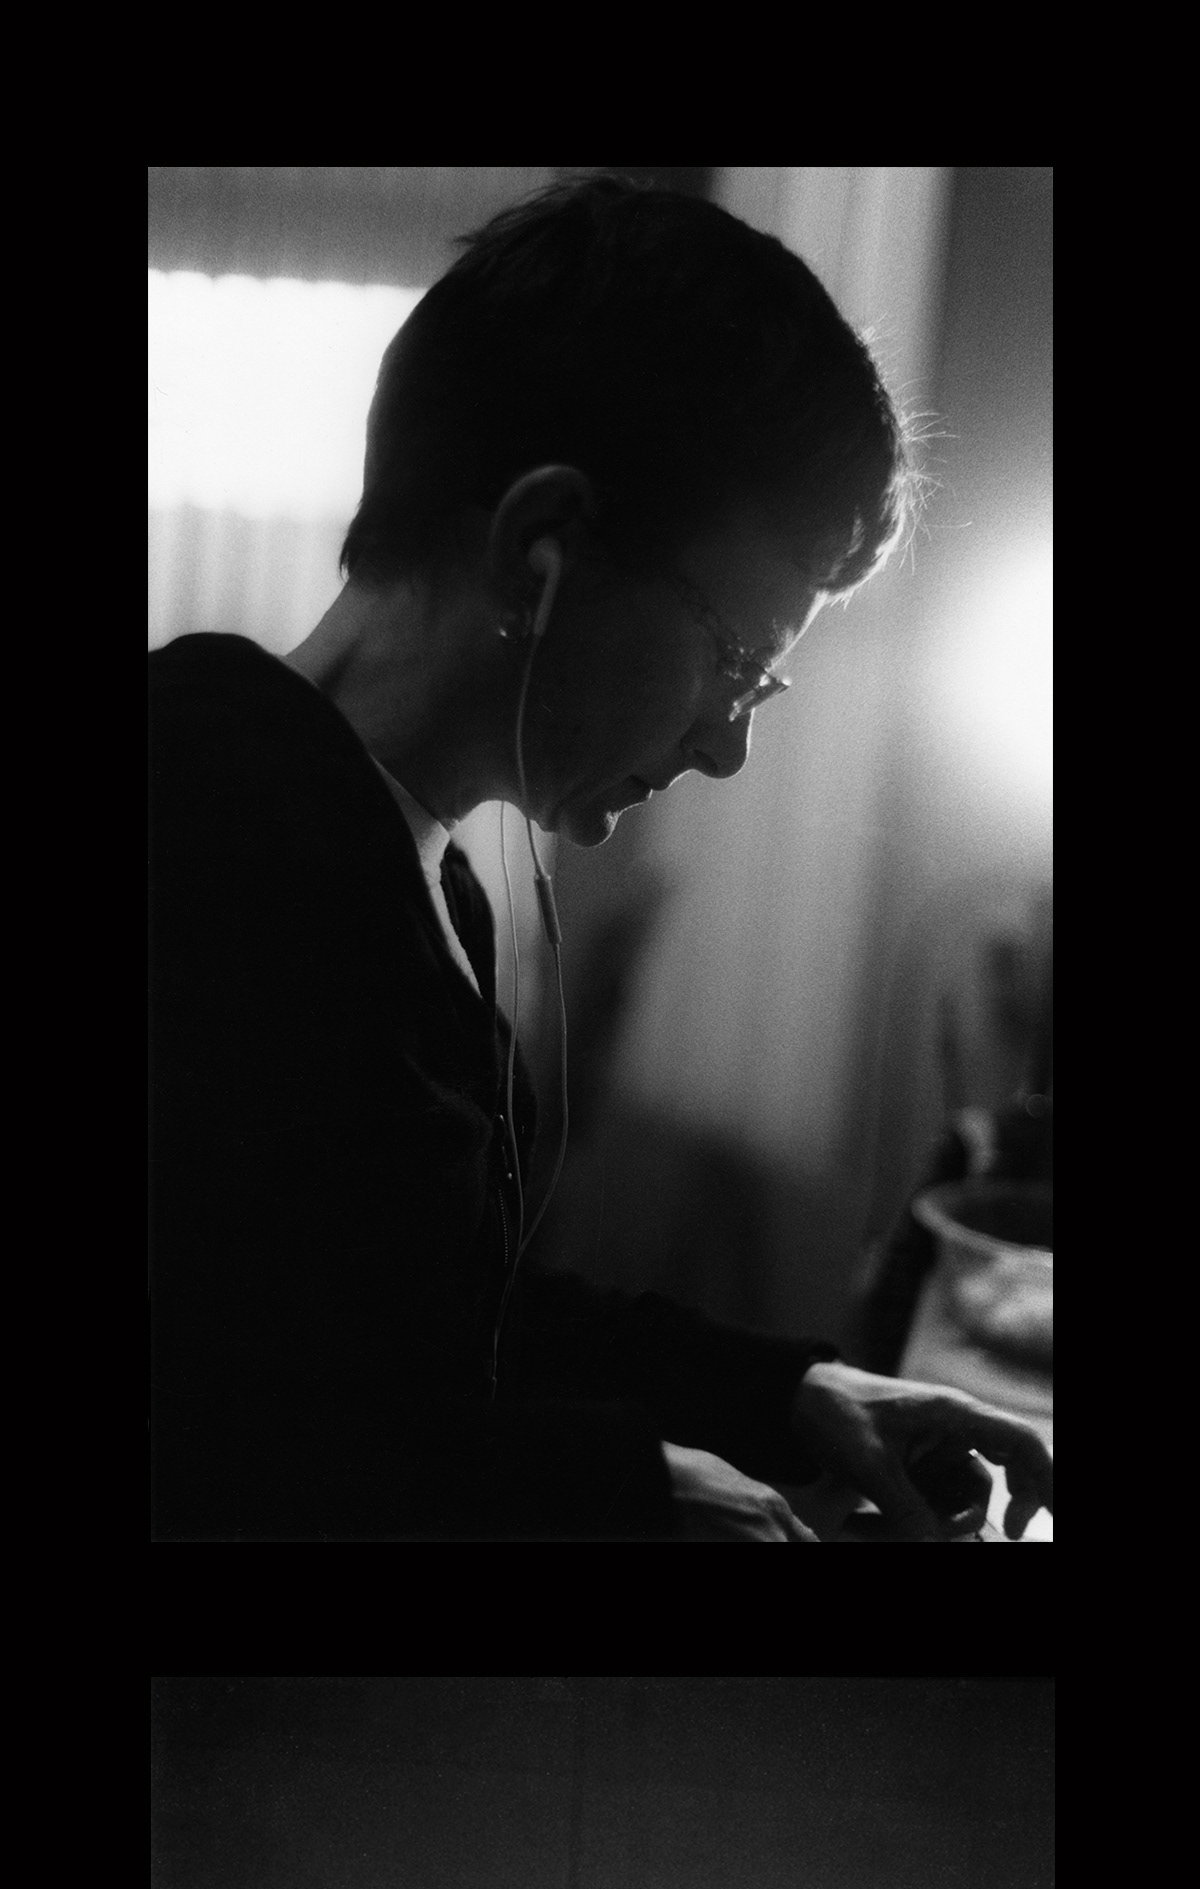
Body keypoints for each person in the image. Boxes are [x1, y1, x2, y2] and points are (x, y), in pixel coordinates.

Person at [151, 171, 1051, 1546]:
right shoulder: (196, 831)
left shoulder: (415, 862)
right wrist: (627, 1487)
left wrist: (789, 1393)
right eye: (734, 662)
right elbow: (224, 1441)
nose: (728, 747)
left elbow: (420, 1323)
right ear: (542, 548)